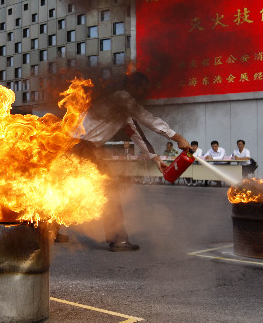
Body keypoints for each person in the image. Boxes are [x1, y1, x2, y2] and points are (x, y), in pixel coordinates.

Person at [62, 72, 189, 252]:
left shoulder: (122, 109)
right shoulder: (122, 98)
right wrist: (177, 137)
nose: (141, 95)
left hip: (76, 148)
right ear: (133, 86)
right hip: (80, 148)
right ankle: (118, 239)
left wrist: (155, 159)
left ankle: (52, 230)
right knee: (109, 191)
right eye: (141, 90)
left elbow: (136, 134)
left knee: (65, 188)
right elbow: (149, 120)